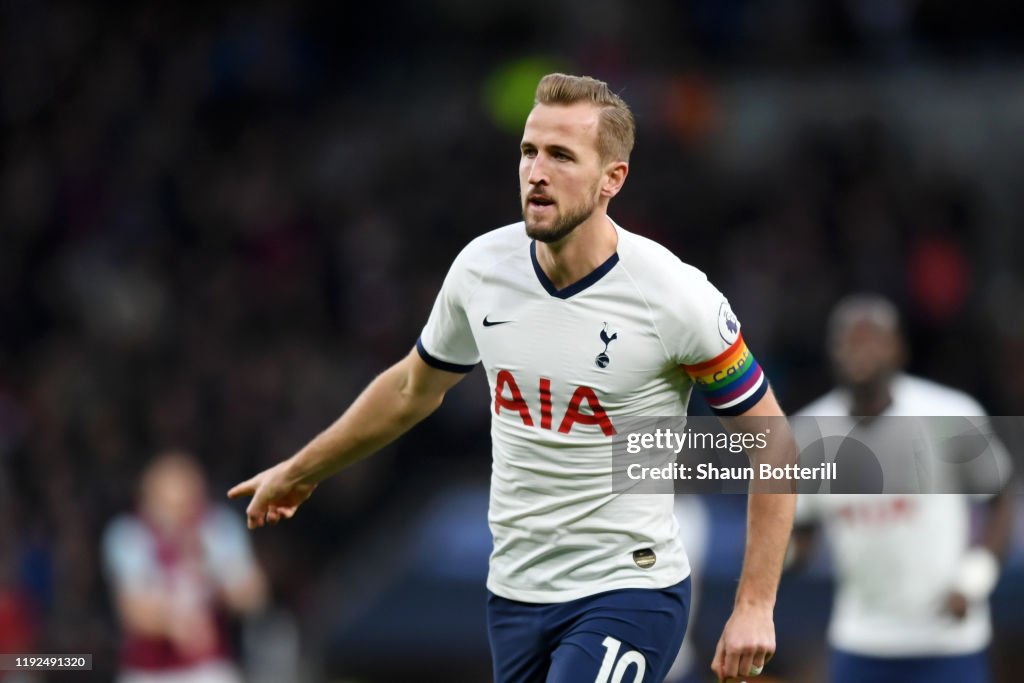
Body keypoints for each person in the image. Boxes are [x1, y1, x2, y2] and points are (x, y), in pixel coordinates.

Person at [229, 73, 797, 683]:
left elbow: (775, 445)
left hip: (629, 590)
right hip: (516, 595)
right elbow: (410, 390)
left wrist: (755, 606)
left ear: (613, 179)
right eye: (528, 151)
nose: (536, 172)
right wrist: (302, 469)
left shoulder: (673, 296)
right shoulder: (482, 270)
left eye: (560, 155)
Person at [790, 294, 1015, 683]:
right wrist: (778, 559)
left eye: (873, 338)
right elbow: (803, 531)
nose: (860, 351)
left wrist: (975, 577)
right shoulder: (809, 432)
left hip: (948, 642)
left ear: (899, 349)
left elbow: (1001, 497)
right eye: (849, 340)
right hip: (862, 639)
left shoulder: (949, 414)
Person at [103, 451, 268, 683]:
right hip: (148, 671)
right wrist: (175, 622)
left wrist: (219, 582)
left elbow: (252, 594)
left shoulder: (218, 528)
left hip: (209, 667)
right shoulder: (129, 535)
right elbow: (133, 610)